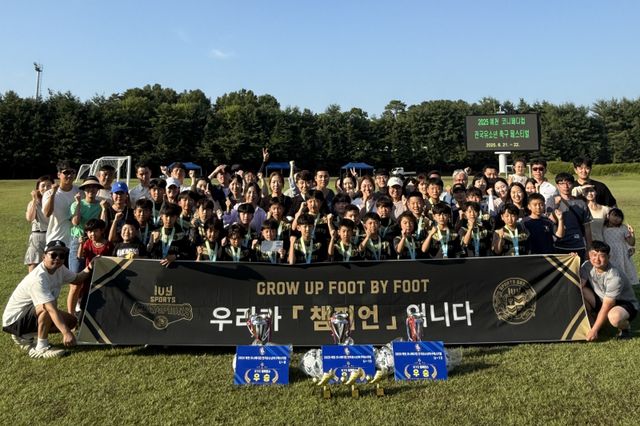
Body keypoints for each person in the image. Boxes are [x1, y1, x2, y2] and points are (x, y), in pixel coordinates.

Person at [3, 240, 92, 358]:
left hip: (30, 314)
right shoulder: (38, 278)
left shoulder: (60, 268)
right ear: (44, 257)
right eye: (53, 255)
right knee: (47, 307)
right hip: (14, 321)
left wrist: (90, 267)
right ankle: (41, 347)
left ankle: (27, 335)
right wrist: (66, 333)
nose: (58, 258)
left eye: (62, 255)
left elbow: (77, 279)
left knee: (71, 321)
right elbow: (50, 308)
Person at [580, 241, 638, 340]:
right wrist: (573, 258)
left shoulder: (614, 276)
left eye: (601, 256)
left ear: (608, 257)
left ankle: (625, 328)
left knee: (615, 318)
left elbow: (607, 305)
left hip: (622, 303)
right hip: (602, 299)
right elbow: (580, 285)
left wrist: (594, 330)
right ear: (589, 255)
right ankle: (592, 322)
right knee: (580, 291)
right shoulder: (587, 266)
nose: (597, 259)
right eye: (594, 255)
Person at [553, 173, 592, 261]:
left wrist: (589, 247)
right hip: (559, 245)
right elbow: (549, 221)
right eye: (562, 183)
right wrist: (556, 206)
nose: (566, 186)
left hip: (578, 245)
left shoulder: (581, 203)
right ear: (557, 185)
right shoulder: (551, 201)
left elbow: (587, 227)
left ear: (573, 184)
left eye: (569, 183)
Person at [69, 176, 104, 273]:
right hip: (79, 240)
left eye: (94, 187)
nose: (91, 189)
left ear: (98, 189)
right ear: (84, 189)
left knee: (93, 273)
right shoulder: (76, 204)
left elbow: (102, 224)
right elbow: (75, 222)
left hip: (95, 241)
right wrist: (78, 204)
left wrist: (104, 209)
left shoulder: (101, 205)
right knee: (76, 272)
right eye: (88, 187)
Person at [43, 160, 80, 247]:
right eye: (66, 172)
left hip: (75, 240)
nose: (70, 175)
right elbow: (47, 213)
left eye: (72, 172)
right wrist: (53, 193)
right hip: (56, 238)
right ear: (58, 174)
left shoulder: (79, 191)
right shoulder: (49, 193)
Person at [24, 175, 53, 271]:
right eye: (43, 186)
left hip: (52, 235)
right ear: (37, 188)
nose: (46, 188)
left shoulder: (55, 201)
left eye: (49, 185)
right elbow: (30, 218)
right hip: (38, 235)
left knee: (50, 265)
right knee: (34, 263)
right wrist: (34, 200)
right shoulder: (34, 203)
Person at [603, 208, 638, 286]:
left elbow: (631, 243)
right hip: (609, 252)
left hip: (621, 252)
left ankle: (623, 283)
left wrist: (632, 233)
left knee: (622, 268)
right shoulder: (603, 227)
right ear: (608, 216)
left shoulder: (623, 227)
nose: (616, 218)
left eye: (619, 217)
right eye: (614, 215)